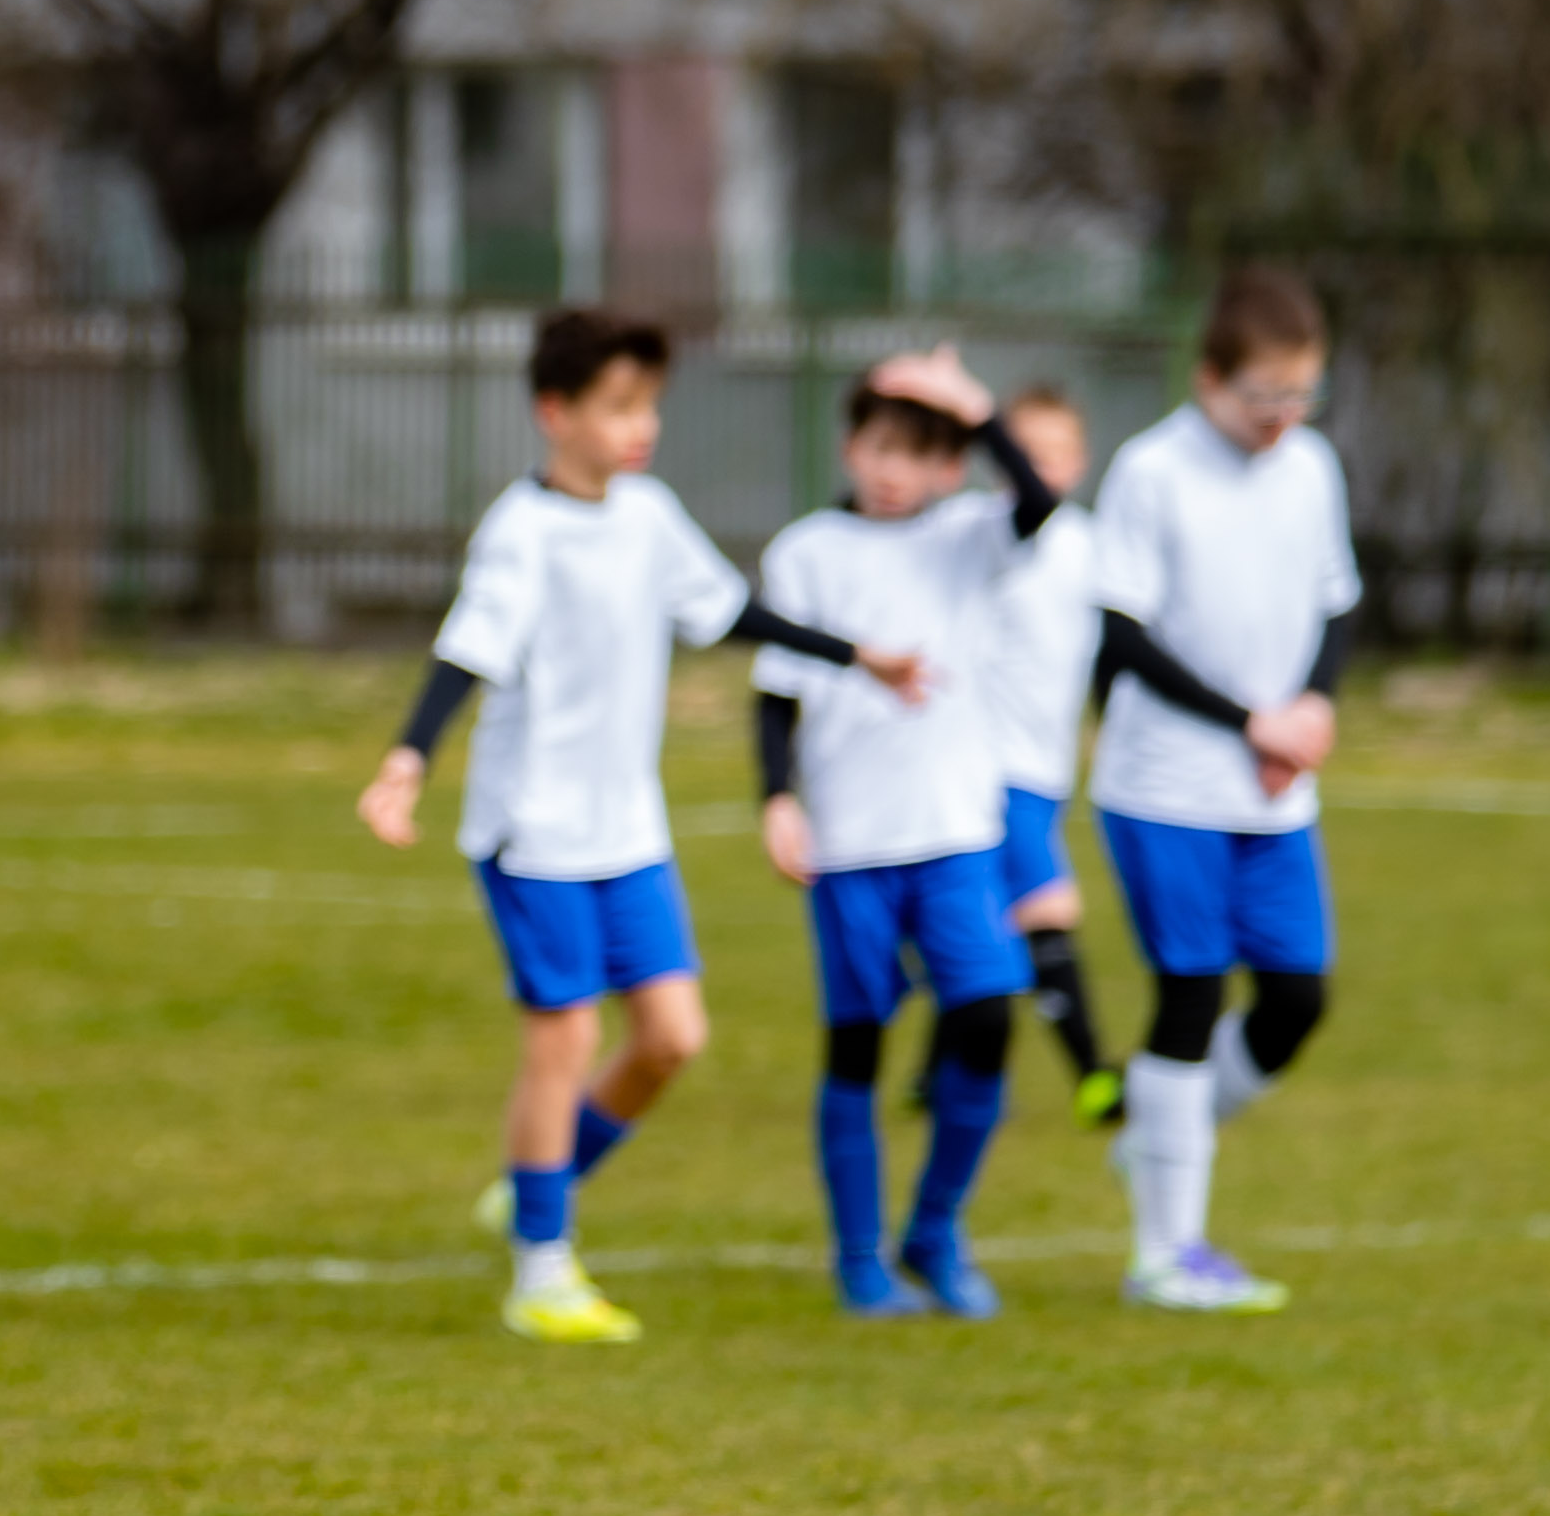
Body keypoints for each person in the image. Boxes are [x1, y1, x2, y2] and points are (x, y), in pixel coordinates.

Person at [358, 306, 931, 1348]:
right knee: (567, 1034)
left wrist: (864, 656)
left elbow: (728, 612)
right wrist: (407, 764)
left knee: (671, 1037)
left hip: (628, 829)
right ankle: (541, 1269)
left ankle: (542, 1178)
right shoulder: (521, 531)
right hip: (533, 832)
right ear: (554, 411)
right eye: (619, 407)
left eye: (649, 406)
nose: (641, 427)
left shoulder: (650, 514)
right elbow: (467, 653)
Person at [754, 352, 1062, 1319]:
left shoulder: (969, 536)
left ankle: (936, 1229)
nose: (895, 470)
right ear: (851, 445)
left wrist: (976, 405)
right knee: (856, 1044)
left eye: (921, 453)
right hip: (851, 840)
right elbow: (775, 692)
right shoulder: (805, 551)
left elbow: (1041, 501)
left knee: (986, 1016)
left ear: (950, 466)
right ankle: (859, 1260)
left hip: (956, 831)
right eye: (881, 446)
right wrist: (779, 797)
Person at [1084, 266, 1363, 1316]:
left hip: (1276, 784)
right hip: (1168, 783)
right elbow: (1122, 632)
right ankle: (1167, 1251)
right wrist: (1253, 721)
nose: (1282, 419)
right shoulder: (1152, 472)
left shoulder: (1311, 468)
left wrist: (1316, 709)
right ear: (1208, 379)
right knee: (1191, 995)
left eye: (1302, 396)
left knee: (1296, 997)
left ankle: (1167, 1138)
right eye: (1262, 398)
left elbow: (1338, 601)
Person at [961, 382, 1125, 1127]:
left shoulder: (1091, 548)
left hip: (1048, 765)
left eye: (1057, 452)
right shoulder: (983, 533)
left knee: (986, 925)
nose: (1044, 466)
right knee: (1046, 911)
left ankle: (941, 1071)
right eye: (1028, 452)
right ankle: (1094, 1075)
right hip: (991, 767)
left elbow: (1107, 654)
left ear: (1082, 460)